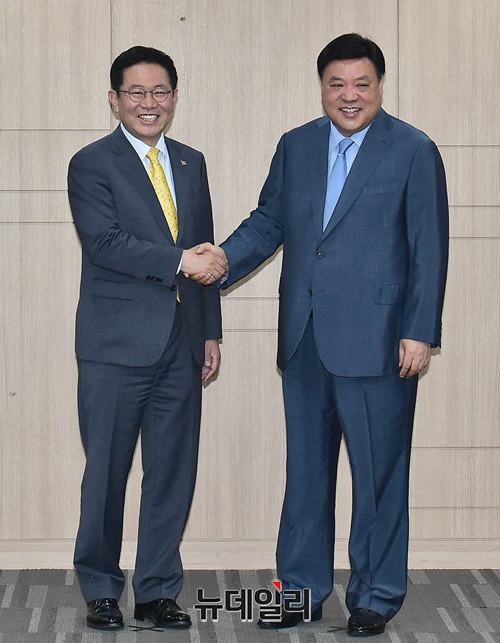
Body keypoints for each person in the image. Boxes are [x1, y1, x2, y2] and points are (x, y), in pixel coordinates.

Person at [195, 33, 448, 636]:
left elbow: (429, 248)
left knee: (379, 477)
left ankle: (375, 596)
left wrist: (420, 331)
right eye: (337, 84)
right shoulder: (297, 145)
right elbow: (269, 222)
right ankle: (299, 592)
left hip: (381, 340)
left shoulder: (413, 149)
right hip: (305, 338)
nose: (349, 95)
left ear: (379, 86)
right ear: (323, 88)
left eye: (362, 84)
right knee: (305, 476)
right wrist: (221, 259)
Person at [67, 46, 227, 631]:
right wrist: (181, 261)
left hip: (182, 345)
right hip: (115, 346)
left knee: (172, 473)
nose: (149, 103)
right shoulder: (91, 163)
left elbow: (204, 248)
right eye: (136, 92)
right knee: (106, 474)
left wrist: (209, 332)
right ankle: (101, 588)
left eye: (160, 91)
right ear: (114, 100)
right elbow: (104, 243)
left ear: (174, 98)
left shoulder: (191, 162)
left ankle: (158, 591)